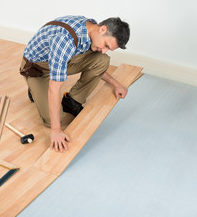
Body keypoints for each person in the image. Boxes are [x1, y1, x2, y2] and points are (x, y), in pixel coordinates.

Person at [19, 15, 130, 153]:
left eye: (109, 49)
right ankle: (34, 90)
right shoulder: (65, 40)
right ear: (102, 29)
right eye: (106, 45)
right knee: (53, 119)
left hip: (60, 59)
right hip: (37, 69)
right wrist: (56, 130)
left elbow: (98, 64)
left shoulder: (91, 30)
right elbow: (54, 88)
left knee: (101, 60)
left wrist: (116, 84)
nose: (104, 50)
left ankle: (72, 101)